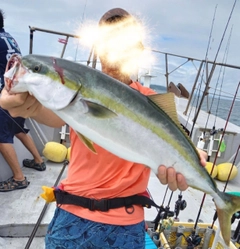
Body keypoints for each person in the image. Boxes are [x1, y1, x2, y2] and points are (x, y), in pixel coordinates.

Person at [0, 8, 207, 249]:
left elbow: (174, 139)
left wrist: (193, 159)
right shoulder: (77, 89)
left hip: (125, 225)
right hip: (72, 218)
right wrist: (19, 105)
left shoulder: (152, 102)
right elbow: (45, 112)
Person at [0, 9, 46, 192]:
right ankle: (39, 160)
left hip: (5, 96)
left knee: (2, 136)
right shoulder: (9, 38)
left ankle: (19, 178)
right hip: (17, 91)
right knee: (19, 129)